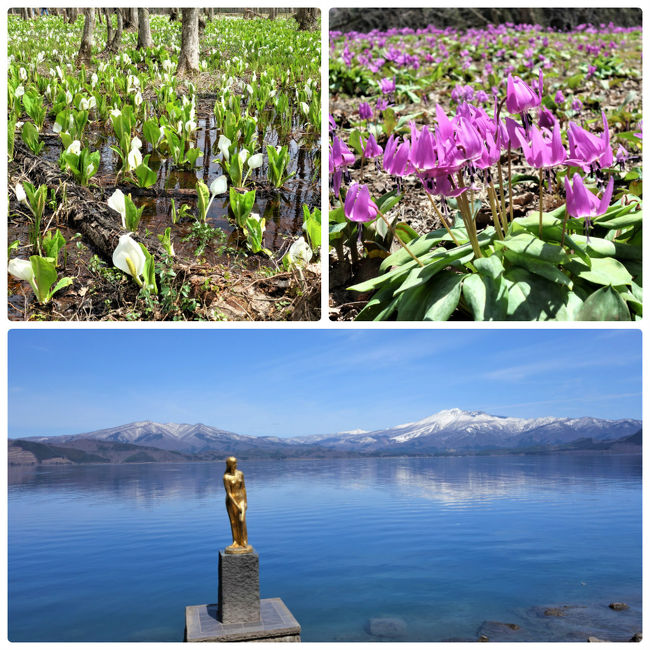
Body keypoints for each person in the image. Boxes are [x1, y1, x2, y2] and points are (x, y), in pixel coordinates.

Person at [223, 457, 252, 553]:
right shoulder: (226, 477)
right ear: (230, 465)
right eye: (234, 463)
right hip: (231, 501)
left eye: (236, 463)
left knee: (241, 520)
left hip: (241, 499)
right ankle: (236, 541)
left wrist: (246, 502)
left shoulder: (240, 474)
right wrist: (236, 504)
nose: (236, 465)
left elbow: (243, 488)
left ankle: (243, 541)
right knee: (233, 522)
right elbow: (229, 493)